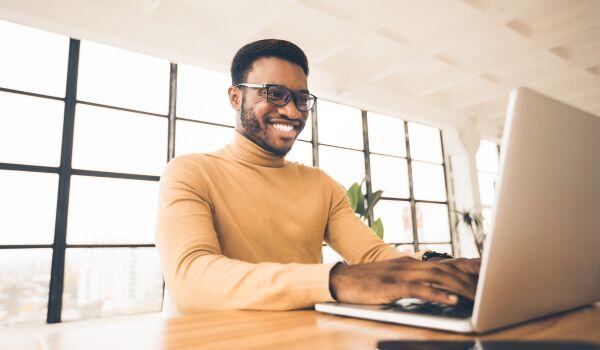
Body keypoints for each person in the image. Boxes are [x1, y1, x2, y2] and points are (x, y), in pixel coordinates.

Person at [155, 39, 480, 313]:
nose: (293, 112)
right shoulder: (190, 172)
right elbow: (190, 278)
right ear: (235, 97)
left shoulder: (320, 185)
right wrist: (336, 280)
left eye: (301, 99)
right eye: (274, 93)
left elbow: (372, 255)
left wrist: (438, 264)